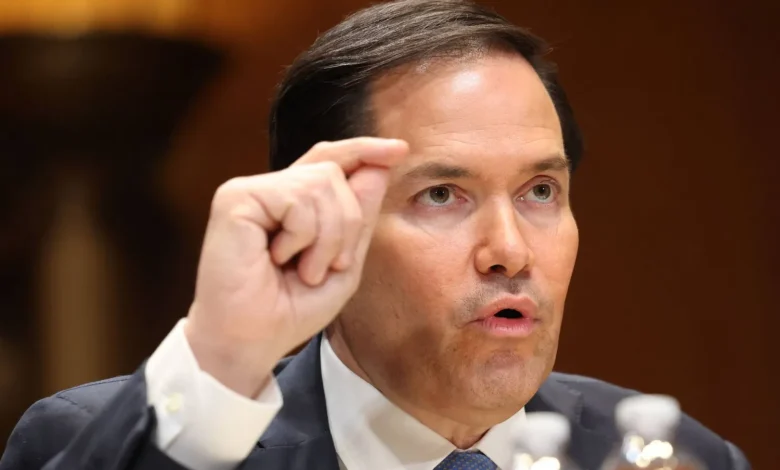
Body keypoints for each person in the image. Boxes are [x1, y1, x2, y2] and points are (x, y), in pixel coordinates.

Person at [0, 1, 751, 469]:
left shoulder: (673, 455)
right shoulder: (104, 442)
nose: (511, 250)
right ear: (318, 221)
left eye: (540, 192)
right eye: (441, 194)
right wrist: (223, 360)